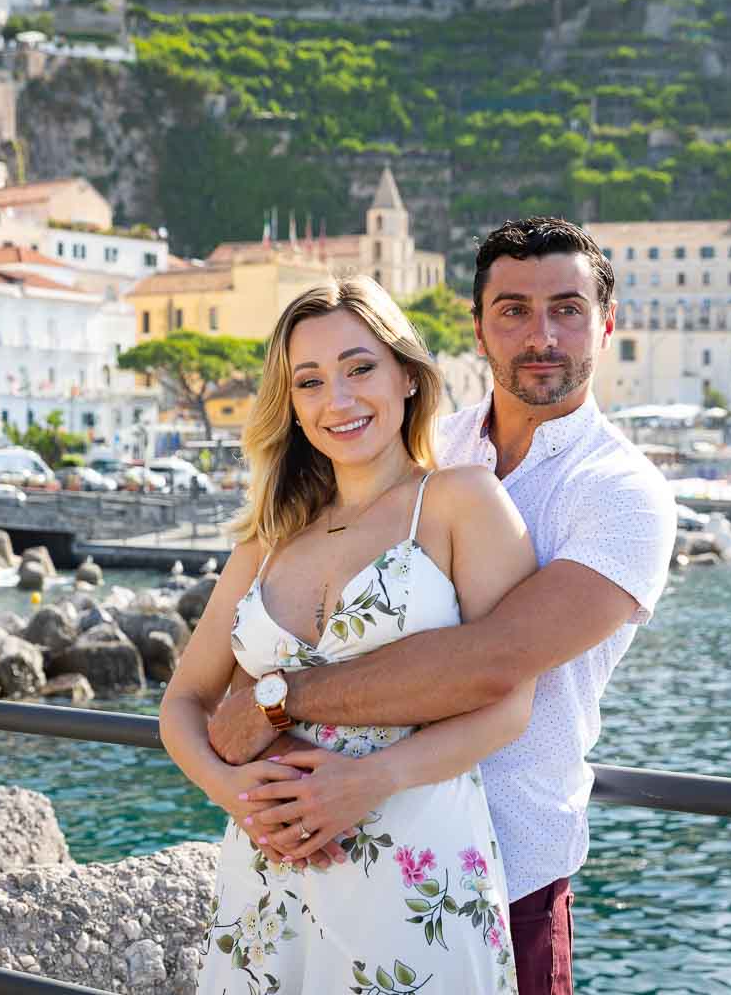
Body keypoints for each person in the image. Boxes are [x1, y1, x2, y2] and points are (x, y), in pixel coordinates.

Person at [205, 217, 678, 994]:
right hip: (331, 843)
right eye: (513, 311)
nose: (542, 335)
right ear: (477, 329)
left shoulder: (623, 497)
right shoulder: (418, 444)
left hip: (508, 862)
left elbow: (494, 663)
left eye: (567, 309)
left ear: (607, 323)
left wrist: (278, 700)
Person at [161, 275, 539, 993]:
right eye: (309, 382)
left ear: (406, 376)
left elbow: (511, 704)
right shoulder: (268, 538)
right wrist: (234, 794)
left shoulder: (462, 502)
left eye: (360, 367)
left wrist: (369, 781)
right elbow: (182, 703)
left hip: (414, 867)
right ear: (292, 406)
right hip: (267, 878)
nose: (337, 400)